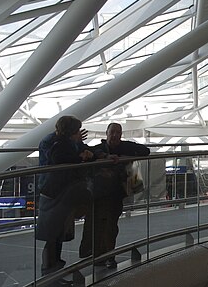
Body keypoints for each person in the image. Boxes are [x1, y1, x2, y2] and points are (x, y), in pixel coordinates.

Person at [81, 122, 149, 267]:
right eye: (113, 132)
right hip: (99, 193)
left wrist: (125, 157)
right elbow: (86, 152)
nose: (115, 135)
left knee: (110, 225)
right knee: (98, 224)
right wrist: (104, 157)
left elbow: (145, 150)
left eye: (118, 133)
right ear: (106, 133)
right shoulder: (99, 149)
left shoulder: (125, 147)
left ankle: (107, 255)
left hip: (114, 193)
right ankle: (99, 255)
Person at [36, 115, 94, 274]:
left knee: (57, 233)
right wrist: (80, 156)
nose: (78, 135)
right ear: (70, 131)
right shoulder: (55, 143)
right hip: (55, 192)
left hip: (58, 191)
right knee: (53, 234)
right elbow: (59, 159)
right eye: (76, 131)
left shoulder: (64, 142)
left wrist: (82, 150)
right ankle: (49, 271)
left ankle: (53, 269)